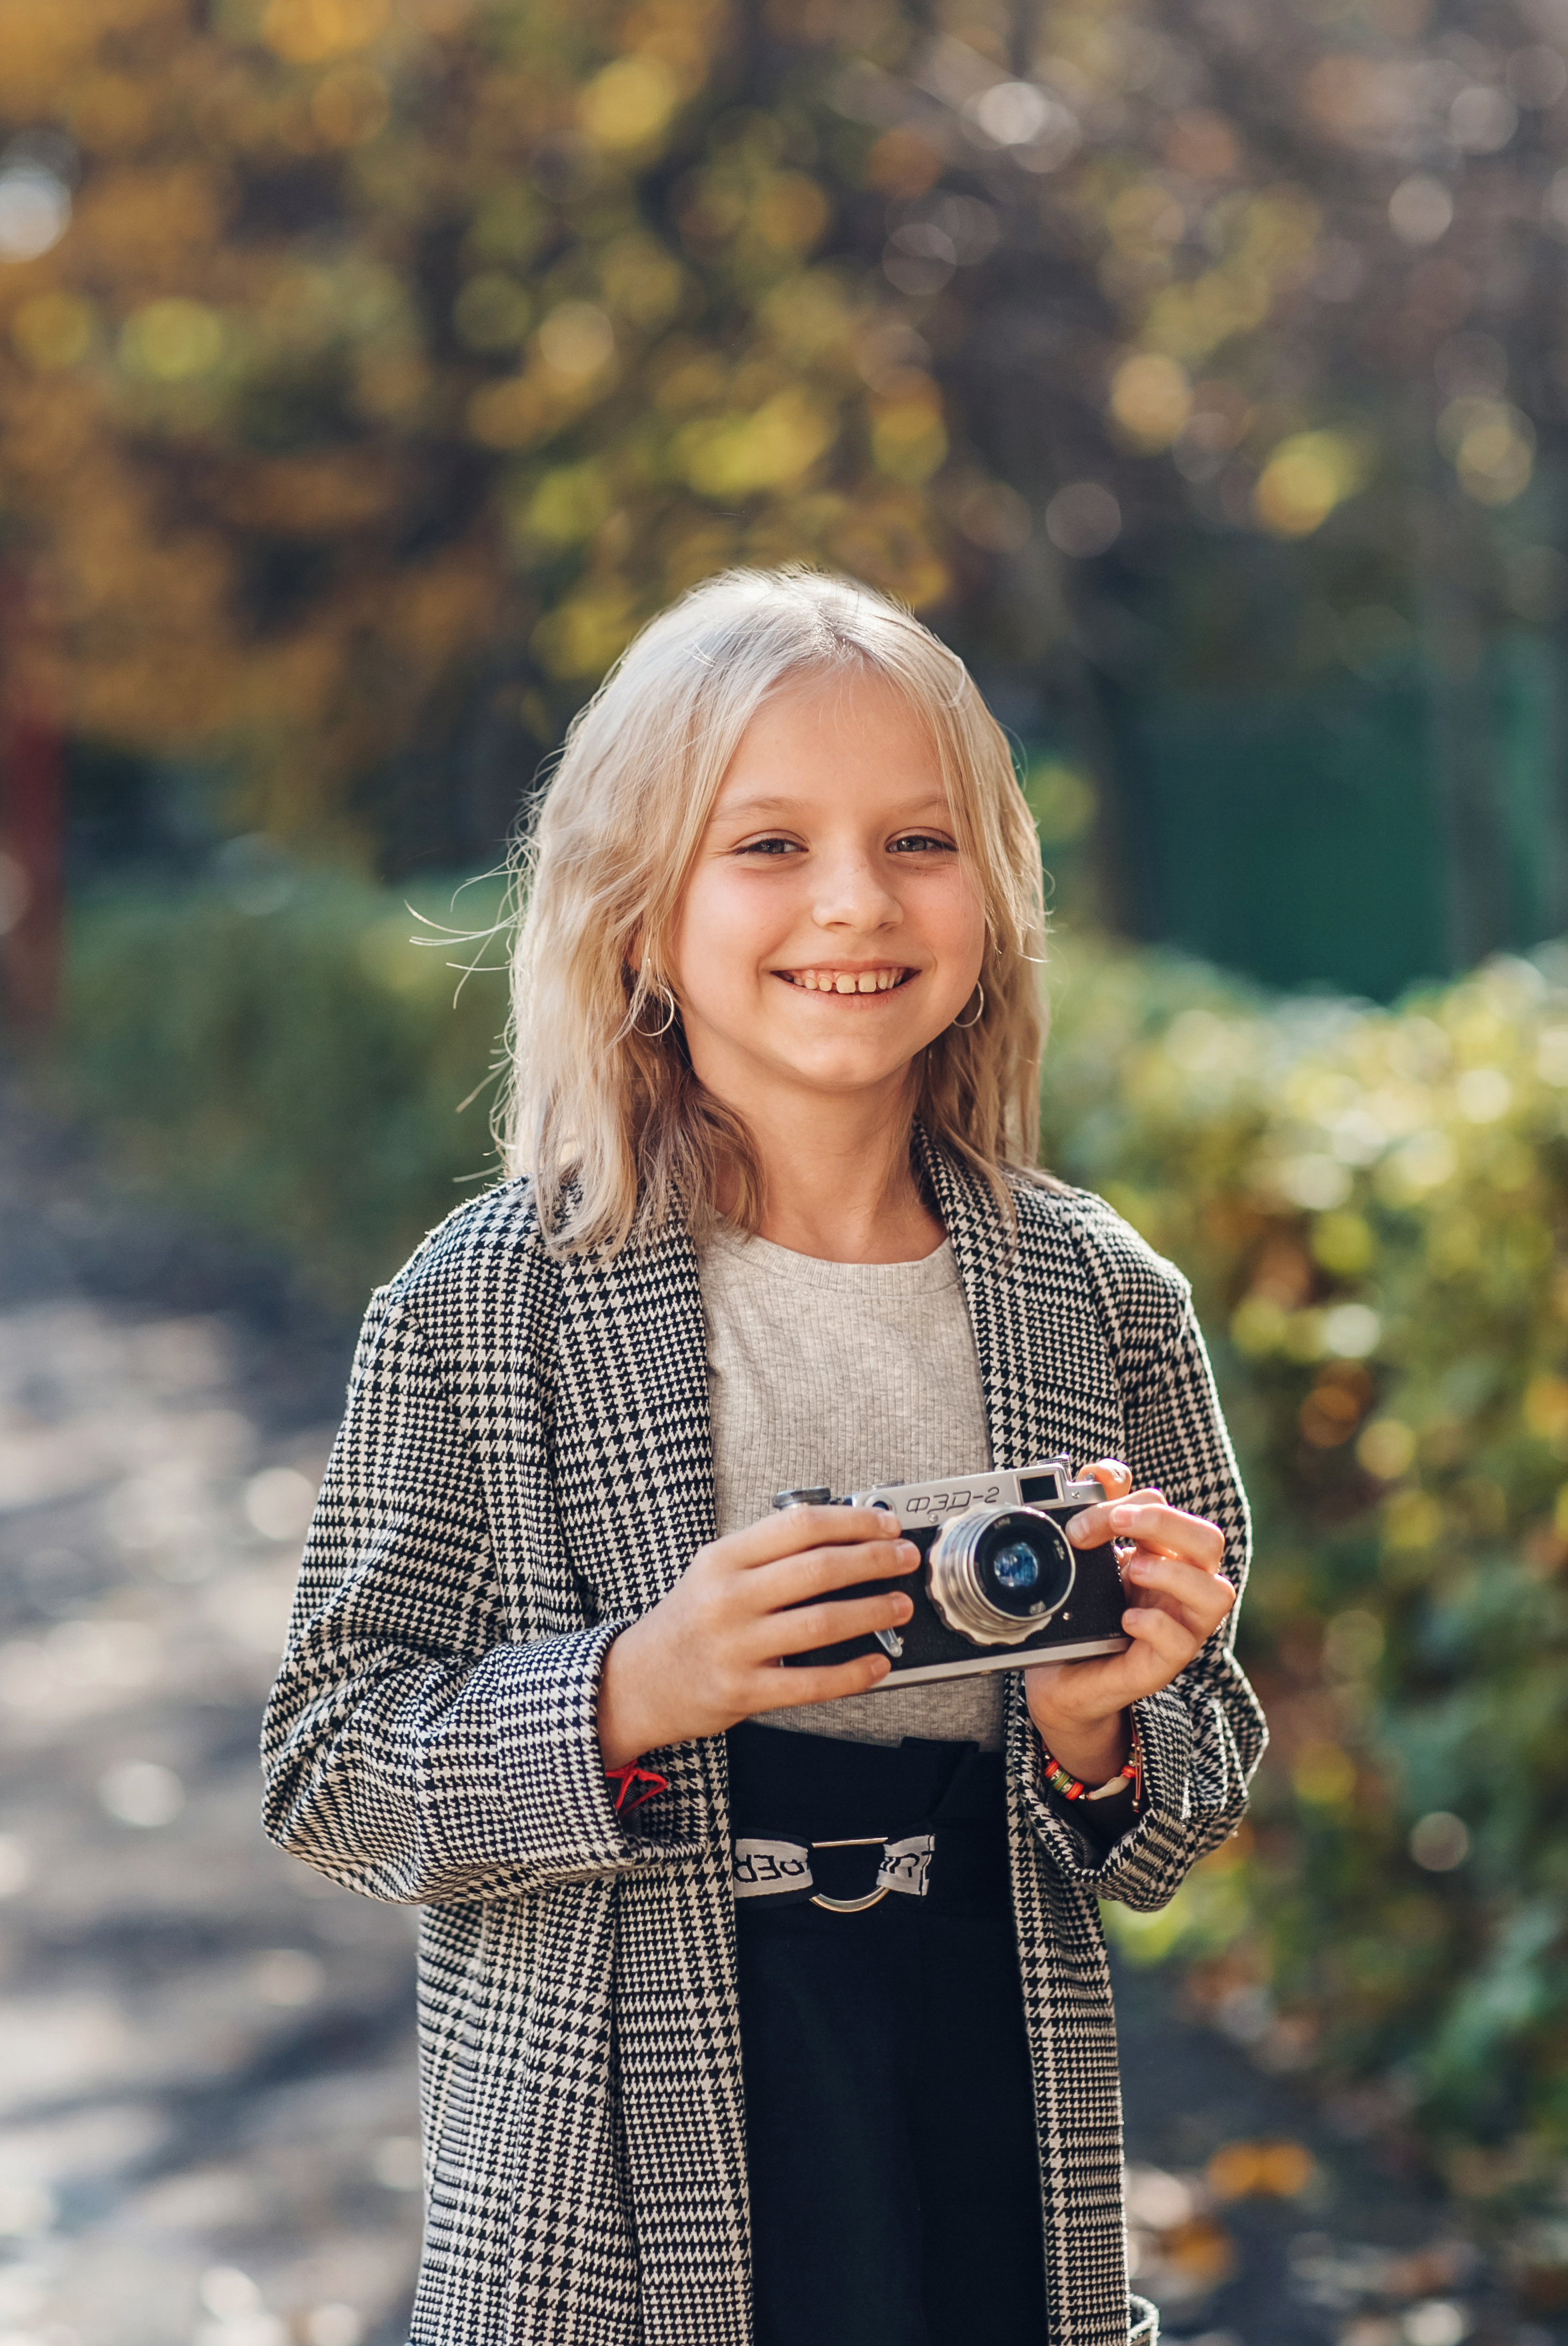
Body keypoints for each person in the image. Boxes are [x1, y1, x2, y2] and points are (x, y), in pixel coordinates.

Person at [261, 566, 1265, 2346]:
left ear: (996, 894)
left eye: (920, 840)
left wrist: (1103, 1722)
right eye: (770, 846)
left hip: (992, 2089)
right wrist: (636, 1686)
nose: (857, 900)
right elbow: (330, 1767)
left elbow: (1171, 1821)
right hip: (617, 2152)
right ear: (638, 917)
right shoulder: (487, 1309)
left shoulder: (1100, 1301)